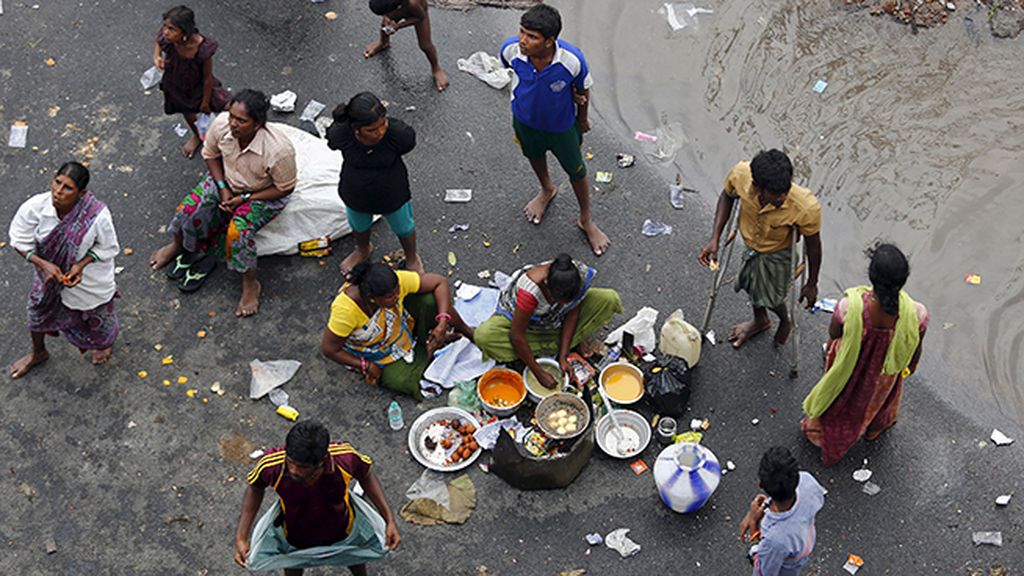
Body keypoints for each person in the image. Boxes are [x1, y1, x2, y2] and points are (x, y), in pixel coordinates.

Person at [148, 89, 297, 318]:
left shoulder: (278, 151)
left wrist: (244, 199)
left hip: (260, 193)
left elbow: (285, 187)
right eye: (231, 116)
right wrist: (223, 188)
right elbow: (210, 155)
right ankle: (178, 244)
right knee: (187, 209)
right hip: (227, 181)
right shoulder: (221, 126)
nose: (233, 124)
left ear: (257, 124)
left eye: (241, 120)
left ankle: (250, 284)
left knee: (237, 232)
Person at [801, 244, 928, 466]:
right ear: (904, 280)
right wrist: (912, 364)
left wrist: (832, 354)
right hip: (884, 374)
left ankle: (831, 435)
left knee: (842, 401)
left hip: (849, 369)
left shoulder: (850, 307)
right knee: (880, 400)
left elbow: (834, 334)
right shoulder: (916, 313)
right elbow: (916, 345)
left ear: (871, 276)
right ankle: (874, 429)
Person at [499, 4, 609, 256]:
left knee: (577, 170)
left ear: (550, 41)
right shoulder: (510, 50)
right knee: (534, 156)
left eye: (532, 37)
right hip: (525, 121)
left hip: (562, 128)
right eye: (522, 32)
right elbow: (511, 69)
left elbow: (583, 90)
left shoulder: (572, 61)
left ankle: (586, 219)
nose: (523, 40)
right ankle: (547, 189)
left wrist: (582, 119)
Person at [233, 421, 400, 576]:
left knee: (356, 561)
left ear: (322, 462)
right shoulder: (272, 465)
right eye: (290, 462)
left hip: (343, 530)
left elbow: (366, 474)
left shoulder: (344, 459)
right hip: (295, 536)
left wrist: (389, 519)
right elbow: (255, 488)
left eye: (303, 467)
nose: (294, 470)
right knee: (293, 568)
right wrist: (241, 536)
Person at [698, 149, 822, 348]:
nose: (782, 198)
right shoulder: (740, 175)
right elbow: (727, 196)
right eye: (775, 194)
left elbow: (814, 246)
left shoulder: (805, 206)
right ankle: (761, 320)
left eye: (785, 191)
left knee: (772, 297)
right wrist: (715, 238)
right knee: (751, 284)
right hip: (750, 246)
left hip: (778, 253)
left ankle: (784, 319)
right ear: (757, 187)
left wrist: (812, 282)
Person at [8, 162, 120, 377]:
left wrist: (80, 264)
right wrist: (44, 264)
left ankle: (103, 344)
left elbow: (107, 246)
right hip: (48, 278)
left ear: (81, 194)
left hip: (89, 280)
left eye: (67, 188)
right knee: (37, 312)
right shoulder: (36, 207)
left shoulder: (97, 215)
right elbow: (20, 241)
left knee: (97, 318)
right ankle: (38, 353)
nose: (58, 192)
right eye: (57, 183)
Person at [321, 262, 473, 399]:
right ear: (372, 298)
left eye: (397, 291)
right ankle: (429, 350)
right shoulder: (345, 311)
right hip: (374, 350)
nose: (396, 297)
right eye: (389, 297)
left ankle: (460, 333)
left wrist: (442, 323)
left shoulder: (395, 283)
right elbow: (329, 349)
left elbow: (440, 282)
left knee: (431, 301)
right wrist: (366, 366)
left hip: (398, 328)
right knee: (403, 381)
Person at [474, 254, 623, 388]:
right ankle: (564, 343)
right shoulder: (530, 292)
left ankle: (558, 346)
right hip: (526, 323)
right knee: (485, 336)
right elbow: (516, 335)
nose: (563, 305)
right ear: (546, 283)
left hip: (555, 320)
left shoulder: (577, 275)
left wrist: (563, 356)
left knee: (608, 299)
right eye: (559, 300)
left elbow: (572, 311)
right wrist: (538, 373)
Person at [326, 92, 422, 276]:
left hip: (392, 192)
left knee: (404, 227)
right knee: (359, 225)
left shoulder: (398, 135)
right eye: (371, 130)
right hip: (355, 192)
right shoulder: (340, 134)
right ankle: (363, 250)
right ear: (356, 129)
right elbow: (331, 142)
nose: (380, 132)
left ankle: (411, 257)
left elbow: (408, 143)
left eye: (383, 124)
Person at [153, 5, 230, 158]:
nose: (166, 32)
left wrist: (205, 102)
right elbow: (158, 41)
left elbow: (207, 78)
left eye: (171, 29)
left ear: (185, 32)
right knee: (187, 111)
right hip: (176, 84)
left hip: (200, 85)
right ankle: (197, 136)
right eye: (165, 27)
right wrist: (157, 57)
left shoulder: (201, 49)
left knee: (226, 105)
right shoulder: (167, 39)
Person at [738, 447, 825, 576]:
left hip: (788, 566)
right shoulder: (807, 482)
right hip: (805, 542)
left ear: (761, 485)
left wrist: (755, 530)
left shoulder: (774, 540)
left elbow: (765, 572)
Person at [363, 0, 449, 91]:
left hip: (418, 13)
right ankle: (383, 43)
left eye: (386, 13)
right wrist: (388, 17)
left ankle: (436, 68)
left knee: (425, 45)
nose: (385, 16)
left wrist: (398, 26)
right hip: (398, 7)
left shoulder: (413, 4)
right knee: (385, 25)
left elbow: (419, 17)